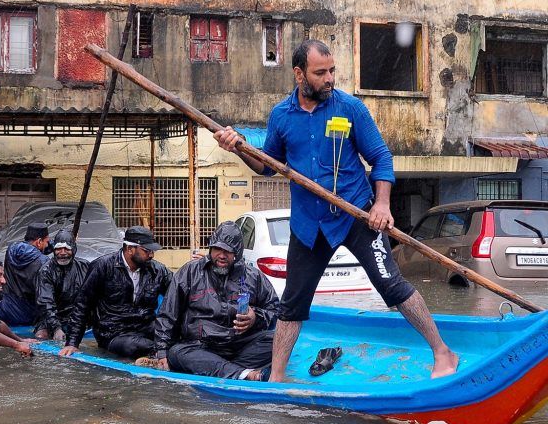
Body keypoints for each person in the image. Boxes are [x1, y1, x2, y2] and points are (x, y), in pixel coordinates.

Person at [214, 39, 458, 381]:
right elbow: (267, 165)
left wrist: (383, 205)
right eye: (320, 73)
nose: (329, 79)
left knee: (393, 286)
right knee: (292, 304)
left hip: (356, 215)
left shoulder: (350, 108)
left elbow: (381, 159)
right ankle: (277, 378)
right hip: (308, 226)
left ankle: (443, 352)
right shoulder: (282, 116)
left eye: (332, 71)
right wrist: (238, 147)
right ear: (299, 74)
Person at [152, 221, 279, 380]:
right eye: (217, 249)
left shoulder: (254, 276)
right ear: (210, 248)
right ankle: (242, 373)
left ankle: (223, 369)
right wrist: (162, 350)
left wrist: (256, 318)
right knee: (177, 353)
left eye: (228, 251)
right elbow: (168, 314)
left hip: (239, 345)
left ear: (237, 253)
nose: (221, 255)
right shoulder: (190, 272)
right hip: (200, 347)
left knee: (277, 340)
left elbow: (275, 311)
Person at [59, 225, 172, 359]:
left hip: (146, 328)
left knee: (176, 337)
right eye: (147, 251)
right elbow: (83, 304)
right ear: (130, 249)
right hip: (113, 333)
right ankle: (161, 354)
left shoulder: (158, 270)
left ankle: (162, 353)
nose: (151, 255)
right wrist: (72, 343)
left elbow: (179, 294)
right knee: (134, 347)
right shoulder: (103, 266)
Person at [35, 228, 89, 342]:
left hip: (78, 315)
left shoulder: (84, 266)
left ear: (73, 249)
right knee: (41, 336)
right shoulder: (46, 271)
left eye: (67, 249)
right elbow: (46, 303)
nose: (63, 253)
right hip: (52, 317)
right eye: (59, 249)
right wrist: (56, 328)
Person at [0, 222, 50, 329]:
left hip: (5, 311)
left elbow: (37, 249)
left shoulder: (11, 250)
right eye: (47, 242)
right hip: (28, 316)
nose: (47, 245)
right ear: (39, 241)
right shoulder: (44, 261)